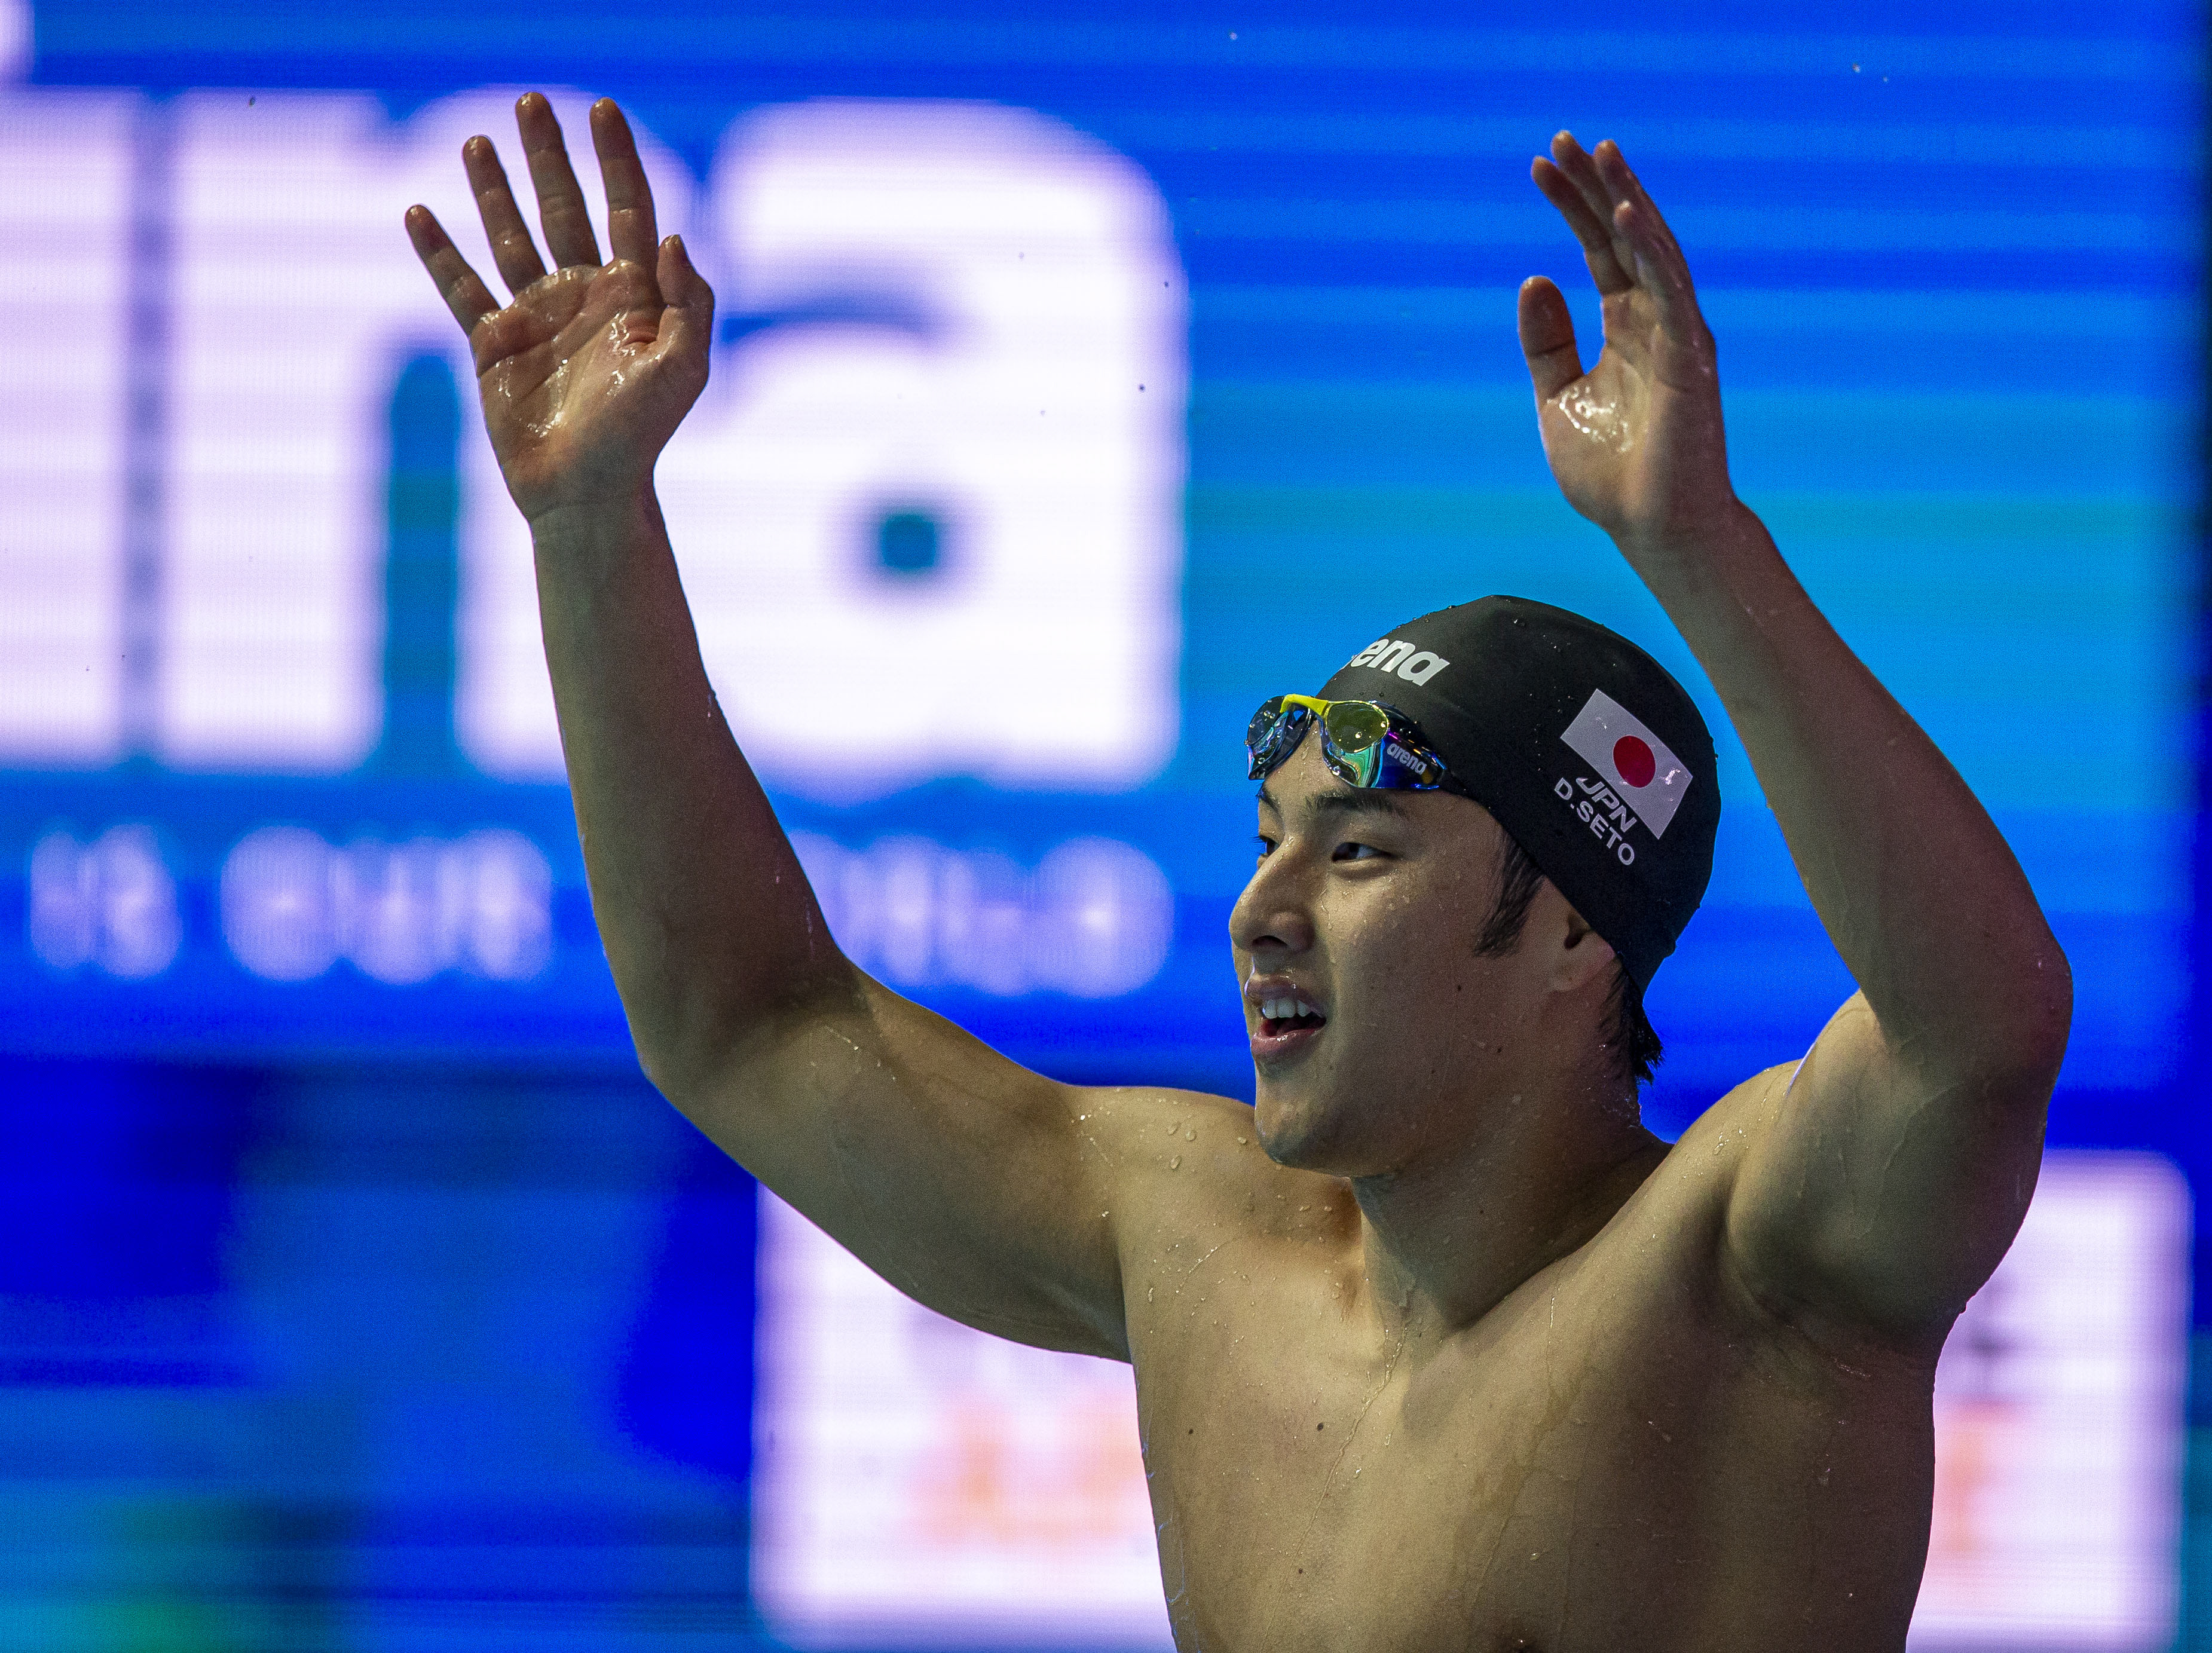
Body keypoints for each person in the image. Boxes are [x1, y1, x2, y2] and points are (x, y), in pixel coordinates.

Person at [406, 95, 2070, 1652]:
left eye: (1355, 853)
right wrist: (593, 528)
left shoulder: (1747, 1276)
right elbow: (748, 1026)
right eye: (1268, 843)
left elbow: (1973, 1030)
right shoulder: (1204, 1250)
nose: (1264, 912)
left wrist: (1698, 546)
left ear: (1572, 932)